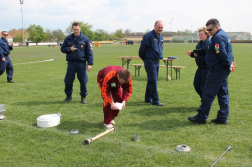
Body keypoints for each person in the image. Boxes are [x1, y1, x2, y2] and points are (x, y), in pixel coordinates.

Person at [188, 19, 236, 124]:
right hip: (222, 69)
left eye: (210, 30)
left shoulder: (218, 37)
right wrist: (230, 63)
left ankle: (201, 117)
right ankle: (222, 117)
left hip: (217, 69)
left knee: (208, 93)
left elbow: (221, 53)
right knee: (223, 93)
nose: (208, 32)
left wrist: (228, 64)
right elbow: (229, 52)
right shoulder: (224, 35)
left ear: (216, 27)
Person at [61, 22, 93, 104]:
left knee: (83, 81)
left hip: (81, 63)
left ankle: (83, 97)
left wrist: (89, 64)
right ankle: (68, 96)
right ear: (72, 29)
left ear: (80, 29)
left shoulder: (85, 39)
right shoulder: (68, 39)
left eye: (77, 29)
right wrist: (69, 49)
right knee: (68, 81)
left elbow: (89, 52)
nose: (76, 31)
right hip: (71, 63)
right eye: (74, 29)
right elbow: (62, 49)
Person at [139, 20, 164, 106]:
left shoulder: (160, 37)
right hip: (150, 60)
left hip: (157, 61)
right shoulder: (148, 36)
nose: (160, 29)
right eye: (159, 27)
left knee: (152, 80)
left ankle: (147, 98)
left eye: (161, 28)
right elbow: (142, 48)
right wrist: (143, 58)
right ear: (154, 26)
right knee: (153, 80)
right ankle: (155, 100)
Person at [187, 27, 211, 102]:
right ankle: (204, 100)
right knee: (196, 85)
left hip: (206, 68)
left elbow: (208, 57)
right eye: (199, 34)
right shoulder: (199, 44)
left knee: (204, 86)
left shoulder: (209, 44)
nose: (200, 36)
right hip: (200, 67)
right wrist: (192, 54)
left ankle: (205, 102)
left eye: (202, 34)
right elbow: (197, 54)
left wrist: (198, 56)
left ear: (207, 35)